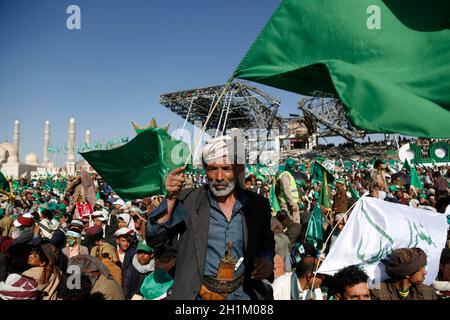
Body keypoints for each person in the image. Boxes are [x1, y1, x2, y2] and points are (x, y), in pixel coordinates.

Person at [146, 135, 274, 300]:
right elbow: (154, 239)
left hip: (244, 294)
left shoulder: (258, 205)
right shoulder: (188, 201)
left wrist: (267, 258)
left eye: (226, 168)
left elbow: (267, 240)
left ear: (238, 169)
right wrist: (170, 199)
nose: (219, 177)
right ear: (205, 170)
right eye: (212, 168)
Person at [370, 247, 437, 300]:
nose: (425, 272)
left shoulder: (428, 293)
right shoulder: (378, 293)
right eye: (420, 269)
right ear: (407, 274)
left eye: (424, 267)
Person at [277, 158, 301, 224]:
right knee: (292, 221)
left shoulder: (289, 175)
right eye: (293, 166)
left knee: (293, 221)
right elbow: (286, 190)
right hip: (287, 202)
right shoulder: (285, 175)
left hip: (290, 201)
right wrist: (292, 203)